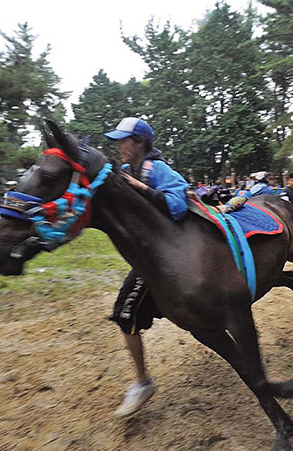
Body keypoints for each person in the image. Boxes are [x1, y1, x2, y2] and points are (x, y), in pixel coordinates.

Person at [104, 117, 188, 418]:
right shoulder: (125, 170)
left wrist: (138, 186)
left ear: (140, 143)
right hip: (146, 258)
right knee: (124, 314)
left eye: (123, 140)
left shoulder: (159, 170)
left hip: (172, 255)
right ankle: (142, 382)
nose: (118, 145)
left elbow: (178, 205)